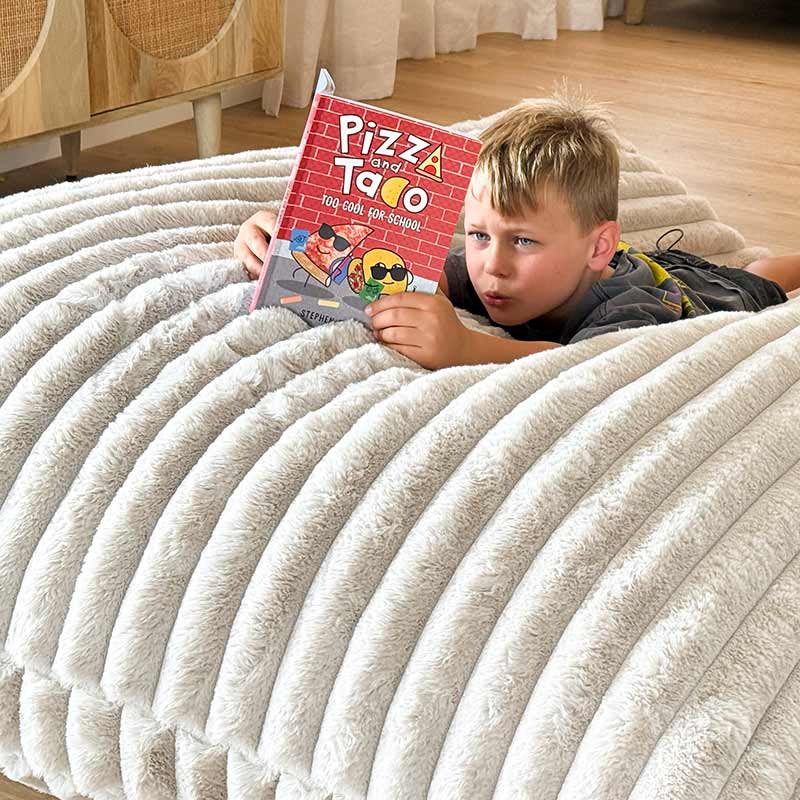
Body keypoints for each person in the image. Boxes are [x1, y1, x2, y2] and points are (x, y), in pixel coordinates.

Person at [234, 94, 800, 370]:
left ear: (596, 246)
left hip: (688, 294)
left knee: (756, 280)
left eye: (523, 241)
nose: (493, 267)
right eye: (479, 234)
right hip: (615, 260)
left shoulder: (629, 315)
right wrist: (285, 237)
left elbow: (585, 368)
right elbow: (389, 262)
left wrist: (466, 347)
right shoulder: (486, 267)